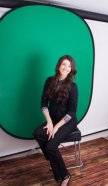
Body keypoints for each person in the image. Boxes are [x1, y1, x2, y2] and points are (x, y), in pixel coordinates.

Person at [33, 55, 78, 186]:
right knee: (37, 133)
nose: (66, 68)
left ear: (72, 69)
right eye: (64, 64)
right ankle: (53, 161)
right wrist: (49, 122)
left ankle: (65, 176)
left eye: (69, 66)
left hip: (67, 121)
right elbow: (43, 103)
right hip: (52, 119)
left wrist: (56, 126)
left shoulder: (73, 87)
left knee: (51, 146)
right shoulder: (49, 81)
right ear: (59, 65)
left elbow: (72, 112)